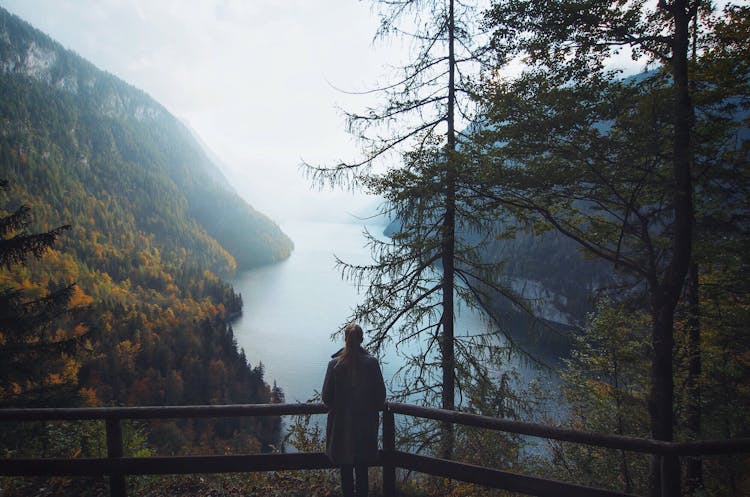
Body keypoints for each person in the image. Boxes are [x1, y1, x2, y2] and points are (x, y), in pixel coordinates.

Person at [322, 323, 386, 497]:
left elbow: (326, 398)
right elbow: (380, 398)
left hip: (342, 429)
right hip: (365, 428)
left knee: (346, 474)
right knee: (362, 472)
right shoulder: (371, 364)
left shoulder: (334, 365)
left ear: (345, 339)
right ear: (362, 339)